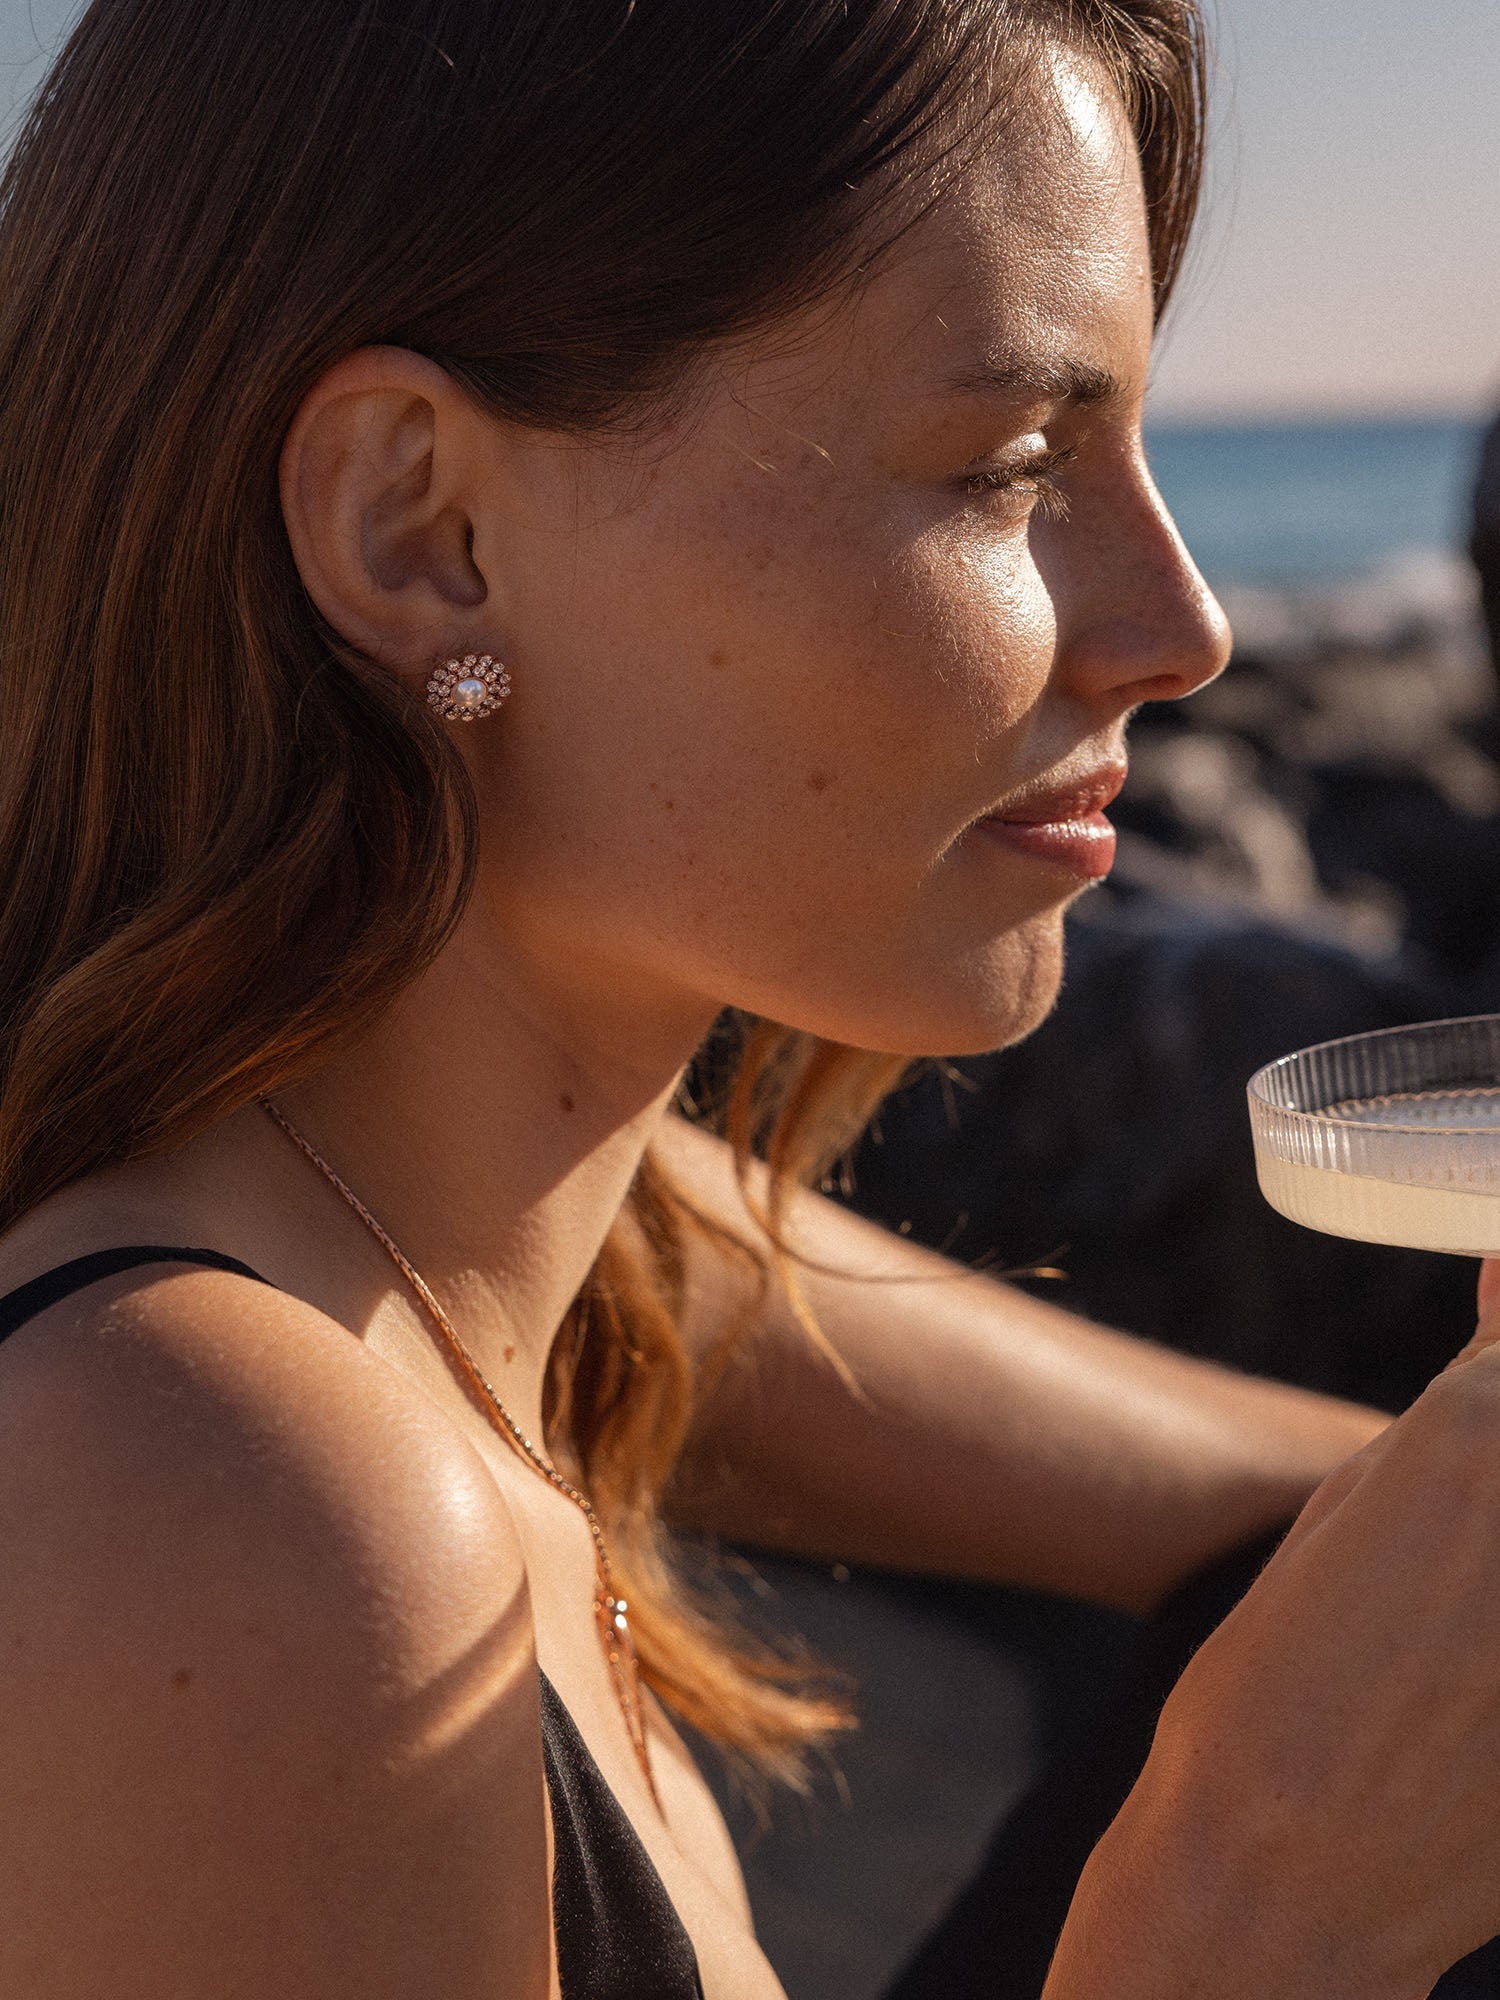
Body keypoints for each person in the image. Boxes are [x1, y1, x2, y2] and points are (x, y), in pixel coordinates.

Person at [0, 2, 1498, 1996]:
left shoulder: (509, 1239)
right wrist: (1252, 1899)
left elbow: (753, 1301)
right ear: (420, 532)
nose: (1185, 627)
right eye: (1007, 467)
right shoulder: (218, 1516)